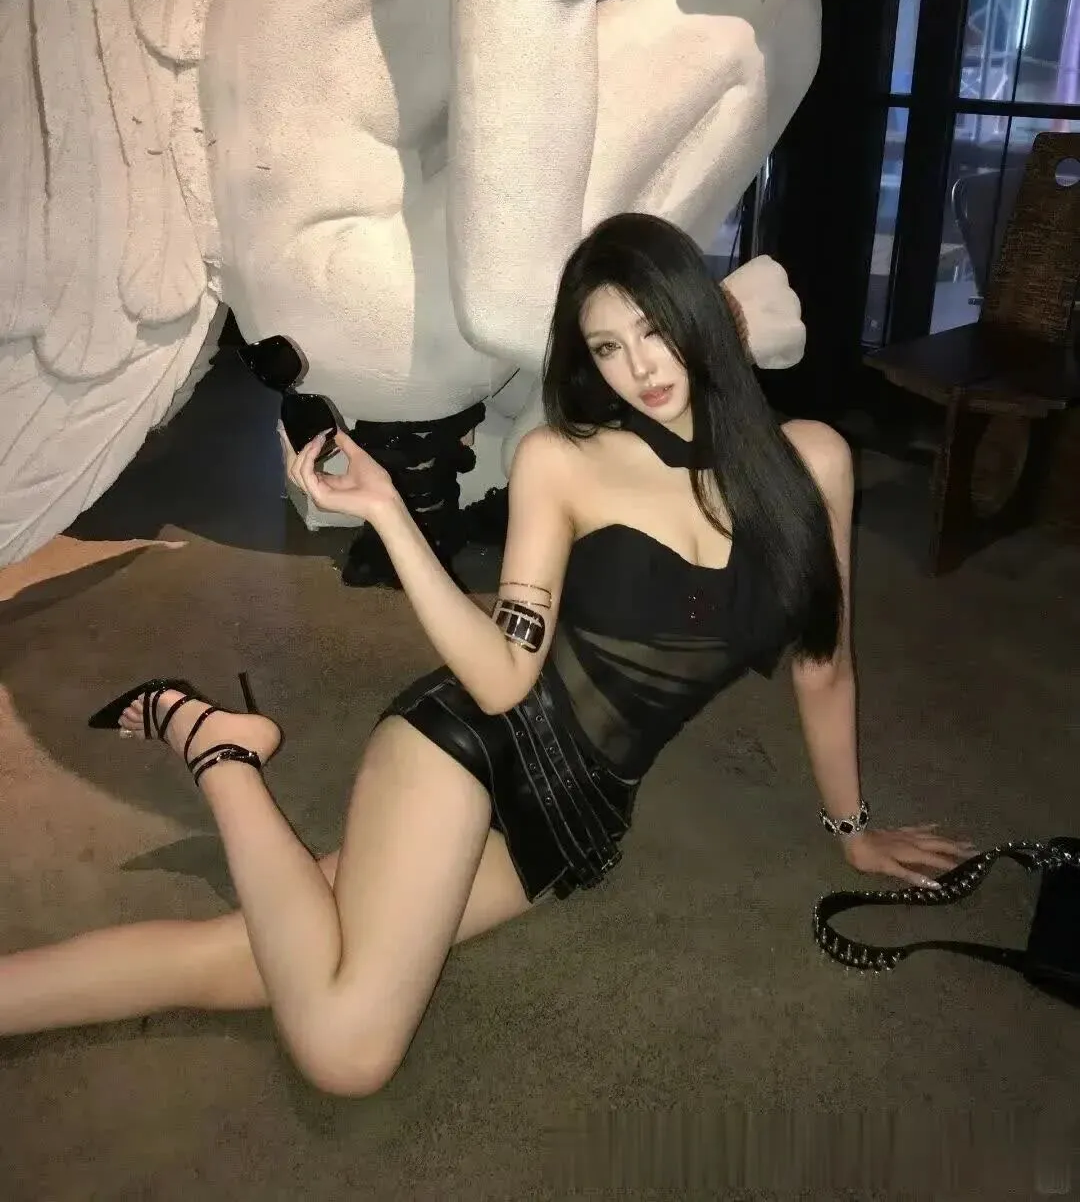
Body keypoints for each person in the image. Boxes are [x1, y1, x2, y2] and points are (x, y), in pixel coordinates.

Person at [0, 214, 973, 1095]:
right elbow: (505, 675)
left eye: (652, 328)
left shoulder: (813, 462)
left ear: (702, 314)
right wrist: (389, 510)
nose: (640, 366)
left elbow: (824, 665)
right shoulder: (564, 461)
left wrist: (852, 828)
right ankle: (219, 752)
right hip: (465, 746)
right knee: (348, 1050)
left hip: (582, 809)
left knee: (250, 958)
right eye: (607, 346)